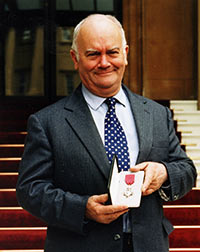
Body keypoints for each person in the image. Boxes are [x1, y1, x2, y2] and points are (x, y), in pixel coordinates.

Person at [16, 14, 197, 252]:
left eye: (112, 52)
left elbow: (186, 170)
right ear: (75, 58)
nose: (104, 63)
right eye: (93, 54)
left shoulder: (156, 114)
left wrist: (163, 172)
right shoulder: (47, 122)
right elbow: (30, 190)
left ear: (125, 53)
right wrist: (82, 209)